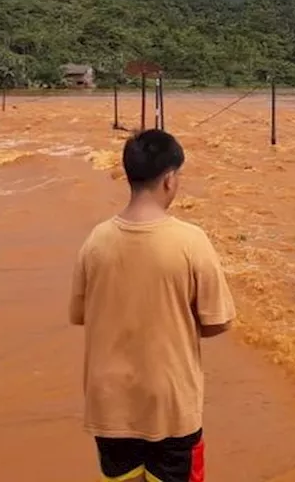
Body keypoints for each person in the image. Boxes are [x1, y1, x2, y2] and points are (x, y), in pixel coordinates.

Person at [69, 129, 236, 482]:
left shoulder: (95, 241)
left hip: (110, 404)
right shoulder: (191, 241)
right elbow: (217, 322)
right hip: (170, 406)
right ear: (170, 179)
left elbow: (80, 315)